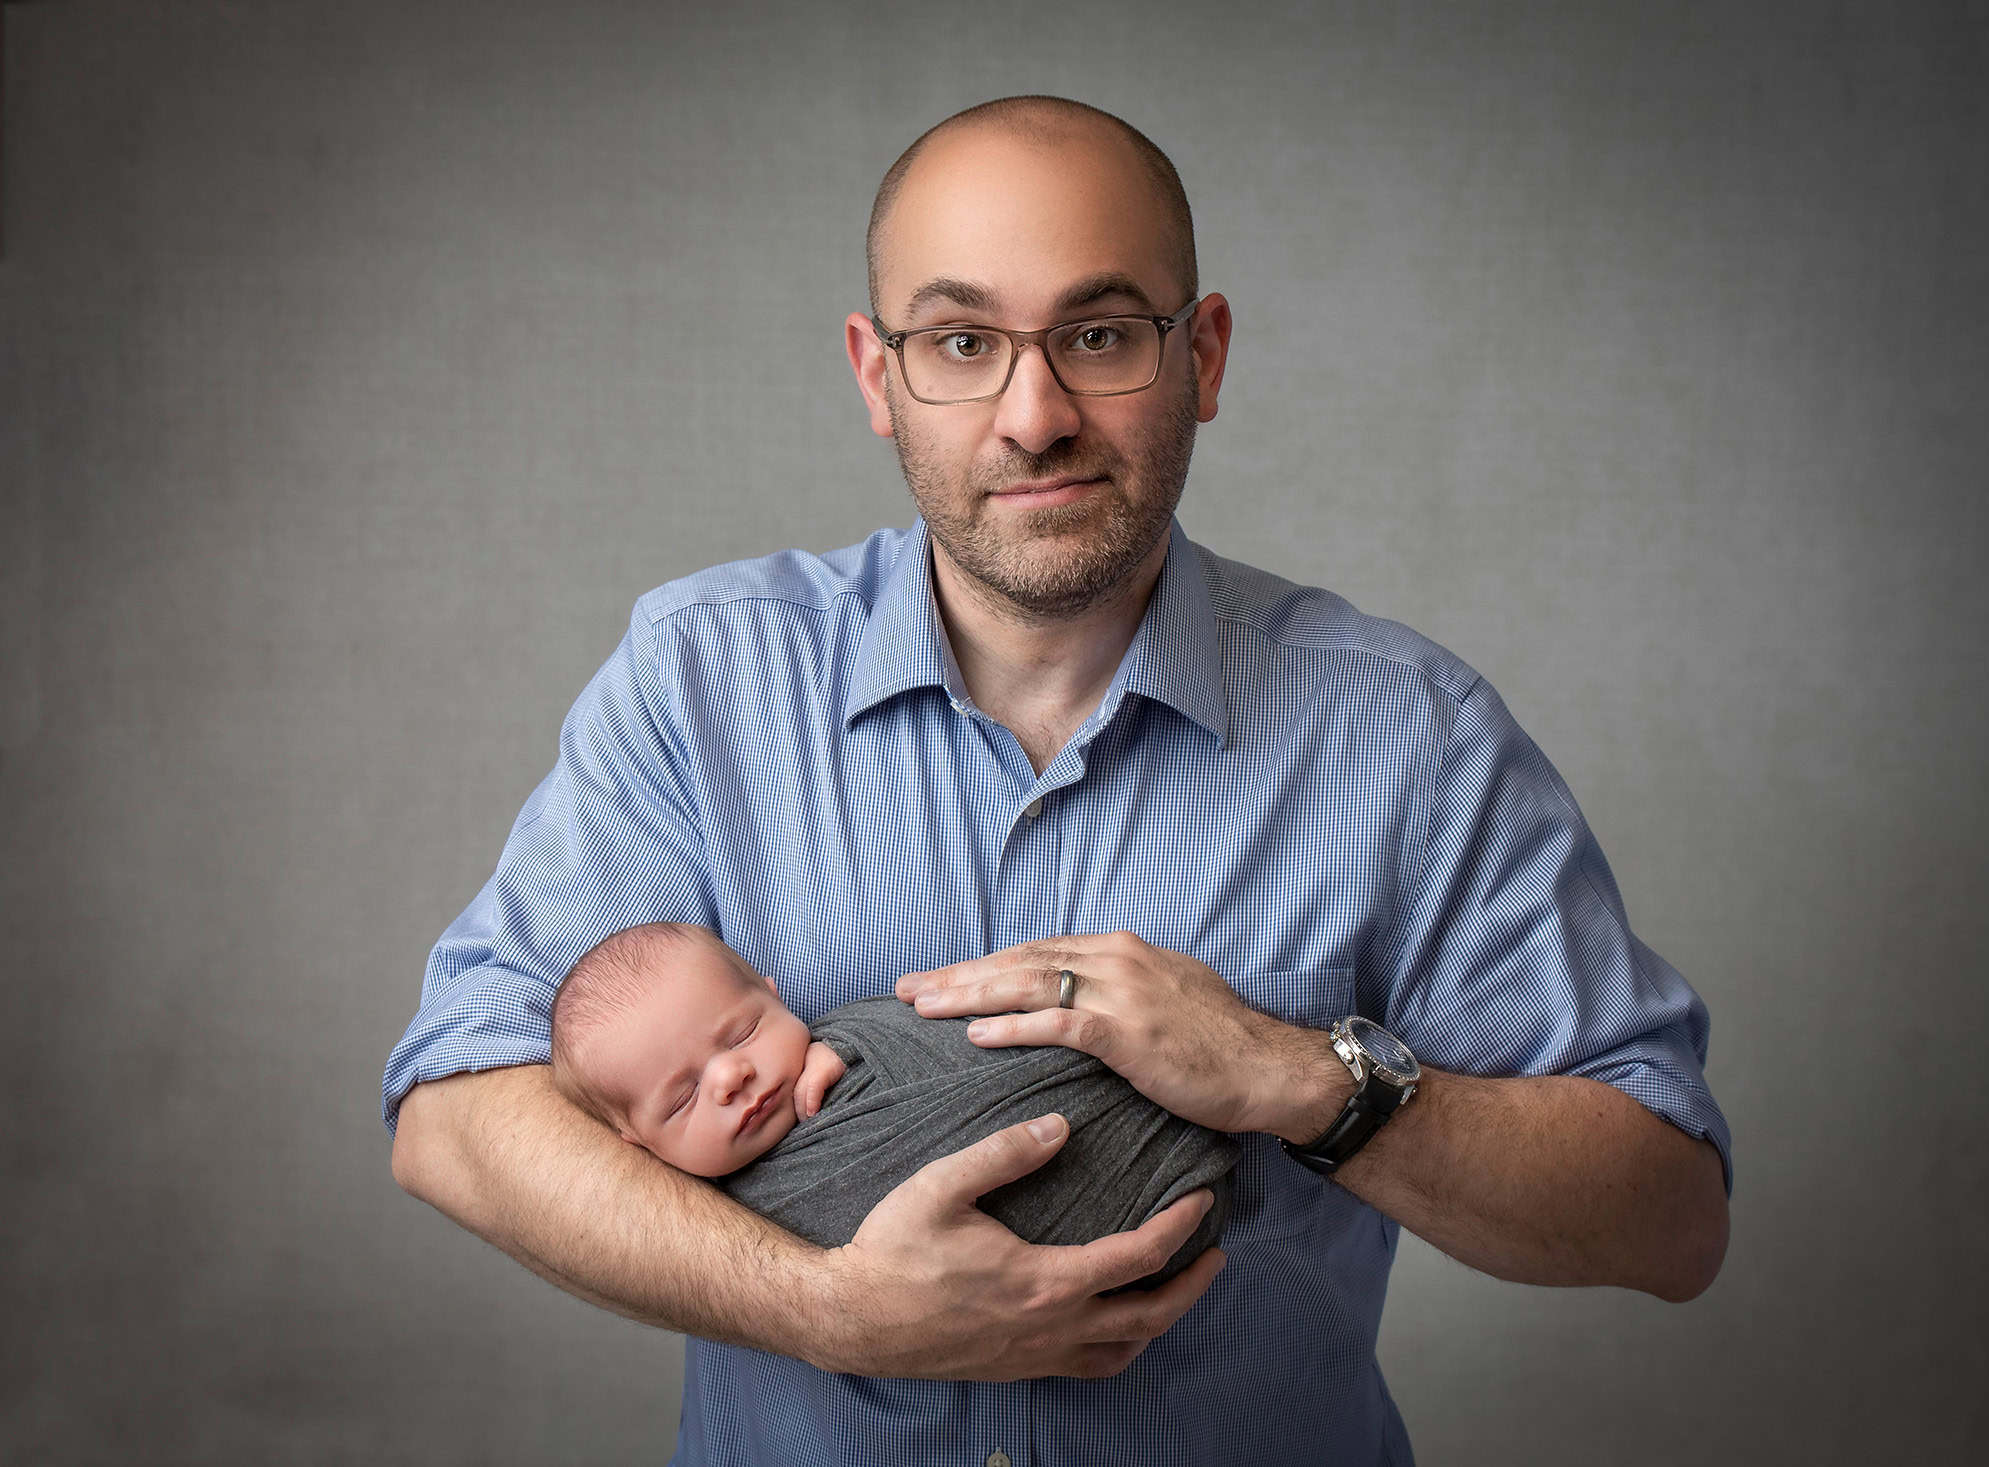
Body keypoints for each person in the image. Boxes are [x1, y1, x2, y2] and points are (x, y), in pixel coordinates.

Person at [384, 94, 1734, 1466]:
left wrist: (1292, 1073)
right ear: (876, 376)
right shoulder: (700, 679)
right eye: (961, 342)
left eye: (1099, 335)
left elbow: (1672, 1219)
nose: (1033, 418)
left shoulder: (1409, 736)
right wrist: (825, 1308)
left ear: (1202, 355)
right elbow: (454, 1118)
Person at [548, 921, 1234, 1285]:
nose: (730, 1076)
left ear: (774, 993)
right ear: (636, 1142)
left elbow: (920, 1026)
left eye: (743, 1032)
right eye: (682, 1098)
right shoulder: (710, 1224)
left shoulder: (854, 1038)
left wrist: (851, 1043)